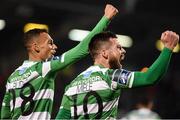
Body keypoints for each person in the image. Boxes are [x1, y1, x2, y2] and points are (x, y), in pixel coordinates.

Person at [0, 4, 118, 119]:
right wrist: (106, 19)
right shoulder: (44, 68)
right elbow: (82, 49)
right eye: (50, 43)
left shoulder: (12, 78)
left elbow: (5, 116)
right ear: (36, 47)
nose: (55, 47)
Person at [55, 31, 179, 119]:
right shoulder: (111, 76)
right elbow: (150, 78)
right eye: (118, 47)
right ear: (104, 53)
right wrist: (168, 48)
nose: (123, 51)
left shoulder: (72, 85)